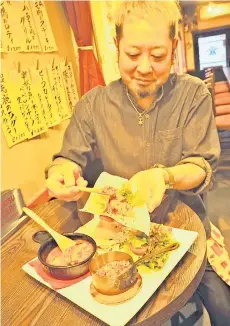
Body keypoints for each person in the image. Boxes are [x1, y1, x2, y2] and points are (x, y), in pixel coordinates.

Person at [45, 1, 230, 325]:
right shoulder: (93, 105)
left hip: (183, 230)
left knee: (223, 310)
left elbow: (203, 167)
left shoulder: (193, 94)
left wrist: (166, 177)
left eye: (157, 55)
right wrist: (62, 171)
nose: (144, 67)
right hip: (116, 237)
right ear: (117, 46)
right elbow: (67, 158)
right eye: (132, 54)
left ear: (173, 47)